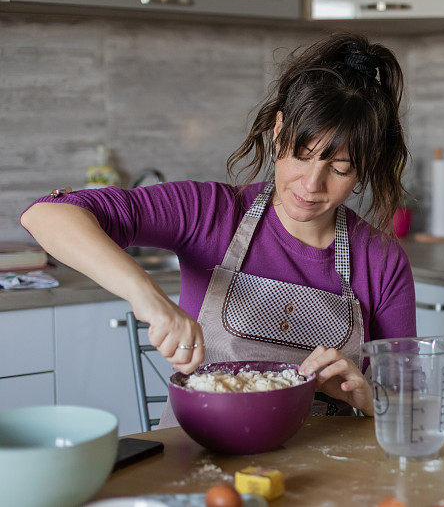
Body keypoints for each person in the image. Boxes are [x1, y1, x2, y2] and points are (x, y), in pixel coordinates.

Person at [20, 32, 416, 423]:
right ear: (278, 133)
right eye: (301, 154)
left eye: (340, 168)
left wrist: (368, 398)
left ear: (367, 164)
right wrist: (150, 299)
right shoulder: (209, 212)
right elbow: (47, 214)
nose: (311, 185)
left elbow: (409, 409)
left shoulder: (380, 260)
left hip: (325, 470)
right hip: (198, 456)